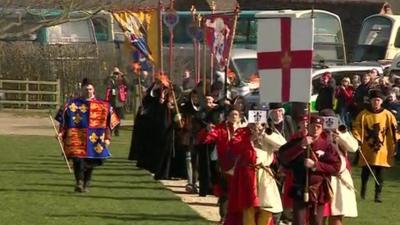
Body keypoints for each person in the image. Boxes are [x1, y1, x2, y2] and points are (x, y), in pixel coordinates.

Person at [56, 78, 119, 192]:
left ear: (93, 90)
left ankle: (86, 183)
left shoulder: (103, 106)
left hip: (94, 139)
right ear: (82, 90)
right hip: (76, 137)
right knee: (78, 159)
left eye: (90, 89)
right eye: (86, 89)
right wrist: (61, 133)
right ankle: (79, 182)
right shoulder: (72, 105)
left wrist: (107, 137)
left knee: (91, 160)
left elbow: (109, 122)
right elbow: (64, 120)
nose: (88, 91)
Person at [278, 116, 341, 225]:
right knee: (299, 221)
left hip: (318, 189)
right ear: (308, 127)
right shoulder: (297, 141)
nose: (316, 129)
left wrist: (315, 165)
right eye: (313, 126)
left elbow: (336, 167)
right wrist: (300, 146)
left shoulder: (326, 145)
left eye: (318, 127)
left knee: (316, 222)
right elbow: (283, 156)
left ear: (322, 129)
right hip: (300, 187)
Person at [229, 121, 285, 225]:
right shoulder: (242, 132)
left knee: (268, 206)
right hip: (247, 174)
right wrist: (250, 138)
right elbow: (234, 147)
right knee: (248, 206)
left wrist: (264, 133)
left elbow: (283, 144)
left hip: (264, 174)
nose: (257, 123)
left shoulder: (269, 132)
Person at [352, 89, 399, 202]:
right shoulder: (363, 114)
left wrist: (394, 143)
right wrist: (357, 139)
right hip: (367, 148)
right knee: (365, 172)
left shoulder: (388, 115)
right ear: (371, 101)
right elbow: (357, 127)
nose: (376, 102)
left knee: (380, 173)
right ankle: (363, 191)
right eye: (374, 100)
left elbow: (394, 130)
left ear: (381, 101)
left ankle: (378, 194)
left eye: (378, 100)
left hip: (382, 149)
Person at [105, 67, 128, 136]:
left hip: (119, 101)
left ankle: (117, 130)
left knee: (118, 117)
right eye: (115, 73)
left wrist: (123, 75)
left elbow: (127, 83)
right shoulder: (110, 79)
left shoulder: (121, 79)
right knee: (111, 117)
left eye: (117, 73)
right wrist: (109, 76)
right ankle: (110, 131)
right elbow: (104, 82)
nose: (116, 75)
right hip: (111, 101)